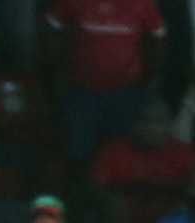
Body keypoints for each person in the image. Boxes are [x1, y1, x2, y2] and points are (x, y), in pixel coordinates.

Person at [47, 0, 166, 163]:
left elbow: (157, 38)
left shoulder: (142, 3)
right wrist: (57, 72)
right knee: (77, 155)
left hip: (125, 92)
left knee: (120, 155)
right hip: (80, 91)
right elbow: (51, 30)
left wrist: (151, 77)